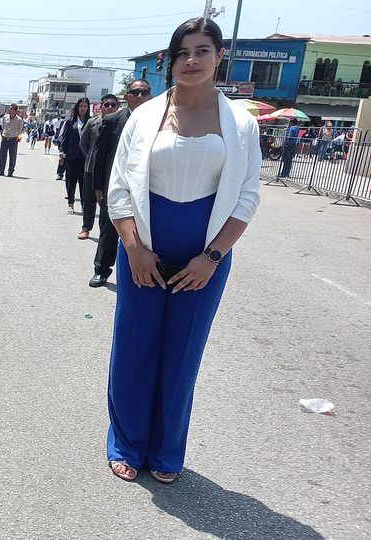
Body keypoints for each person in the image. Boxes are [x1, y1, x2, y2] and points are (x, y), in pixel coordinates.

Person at [105, 17, 260, 484]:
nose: (191, 60)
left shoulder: (241, 123)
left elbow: (247, 197)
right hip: (142, 252)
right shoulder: (144, 116)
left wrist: (211, 257)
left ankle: (167, 451)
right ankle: (127, 443)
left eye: (202, 51)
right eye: (182, 53)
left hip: (204, 260)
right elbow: (119, 189)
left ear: (219, 57)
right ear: (170, 62)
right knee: (134, 348)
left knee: (183, 354)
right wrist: (133, 248)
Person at [89, 80, 152, 288]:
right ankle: (101, 270)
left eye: (145, 92)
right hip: (116, 184)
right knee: (109, 229)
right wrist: (98, 186)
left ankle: (140, 273)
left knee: (142, 231)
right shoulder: (113, 120)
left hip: (145, 185)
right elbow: (100, 155)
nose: (141, 96)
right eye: (136, 92)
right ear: (127, 96)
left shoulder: (158, 120)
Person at [77, 95, 117, 240]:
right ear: (101, 106)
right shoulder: (92, 122)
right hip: (91, 168)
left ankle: (105, 233)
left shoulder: (122, 124)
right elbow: (83, 143)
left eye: (113, 105)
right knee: (89, 199)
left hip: (112, 170)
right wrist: (91, 156)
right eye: (106, 104)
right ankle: (86, 228)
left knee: (108, 202)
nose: (109, 107)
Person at [59, 97, 90, 214]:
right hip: (71, 156)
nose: (83, 108)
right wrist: (62, 153)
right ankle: (70, 204)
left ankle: (84, 205)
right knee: (71, 181)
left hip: (85, 157)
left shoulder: (91, 122)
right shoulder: (70, 122)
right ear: (77, 107)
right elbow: (65, 139)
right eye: (81, 106)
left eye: (85, 106)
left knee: (83, 183)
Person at [0, 104, 24, 176]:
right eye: (9, 108)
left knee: (12, 156)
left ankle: (10, 171)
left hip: (13, 140)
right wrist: (3, 134)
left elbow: (20, 130)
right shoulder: (5, 117)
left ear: (15, 111)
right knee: (2, 155)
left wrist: (18, 138)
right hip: (5, 139)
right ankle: (1, 170)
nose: (9, 110)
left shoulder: (19, 120)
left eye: (11, 109)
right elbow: (3, 127)